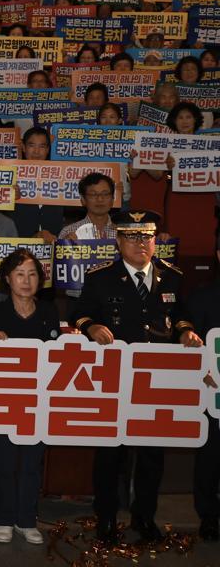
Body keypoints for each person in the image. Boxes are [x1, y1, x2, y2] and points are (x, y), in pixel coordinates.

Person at [70, 210, 199, 545]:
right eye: (131, 236)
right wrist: (91, 326)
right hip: (115, 379)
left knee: (152, 454)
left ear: (155, 241)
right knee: (111, 454)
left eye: (147, 236)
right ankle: (106, 518)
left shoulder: (172, 276)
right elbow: (78, 313)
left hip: (156, 380)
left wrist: (185, 332)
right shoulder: (101, 277)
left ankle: (144, 517)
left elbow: (180, 316)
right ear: (118, 241)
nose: (140, 243)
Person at [0, 249, 60, 546]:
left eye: (32, 274)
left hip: (38, 400)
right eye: (20, 274)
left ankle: (27, 520)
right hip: (4, 399)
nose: (26, 281)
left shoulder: (49, 311)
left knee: (31, 464)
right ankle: (3, 518)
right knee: (4, 462)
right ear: (7, 279)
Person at [186, 250, 220, 540]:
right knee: (211, 456)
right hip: (213, 391)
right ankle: (209, 515)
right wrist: (202, 372)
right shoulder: (202, 297)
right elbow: (189, 345)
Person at [8, 128, 62, 243]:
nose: (36, 152)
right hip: (19, 245)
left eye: (42, 146)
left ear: (48, 149)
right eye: (31, 145)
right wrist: (7, 199)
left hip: (54, 245)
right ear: (23, 147)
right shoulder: (10, 176)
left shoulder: (62, 176)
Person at [58, 173, 117, 242]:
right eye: (93, 194)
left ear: (112, 199)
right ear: (83, 200)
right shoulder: (69, 231)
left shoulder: (122, 233)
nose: (100, 199)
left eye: (105, 194)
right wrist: (66, 244)